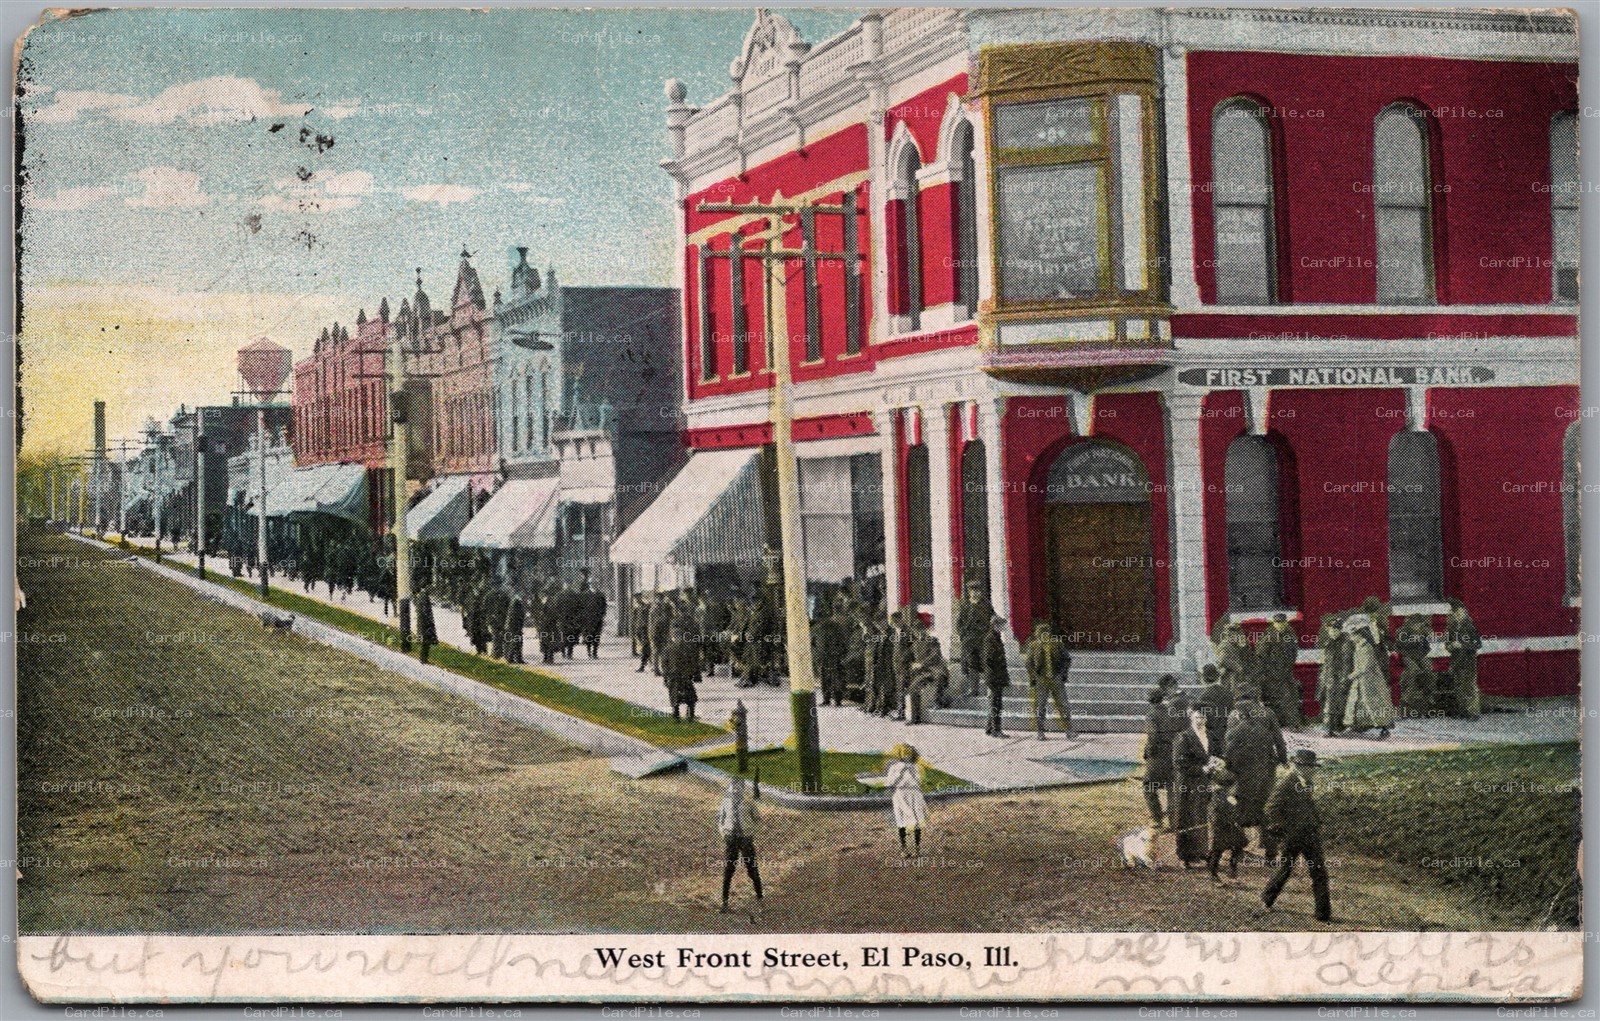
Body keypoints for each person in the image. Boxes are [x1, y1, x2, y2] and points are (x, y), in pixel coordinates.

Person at [1260, 749, 1332, 923]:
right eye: (1309, 767)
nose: (1312, 770)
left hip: (1310, 833)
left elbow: (1307, 803)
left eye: (1313, 767)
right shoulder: (1286, 782)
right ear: (1299, 766)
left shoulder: (1307, 782)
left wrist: (1317, 819)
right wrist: (1282, 827)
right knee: (1286, 869)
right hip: (1293, 836)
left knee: (1319, 872)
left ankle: (1323, 913)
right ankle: (1267, 897)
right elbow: (1271, 807)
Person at [1224, 692, 1282, 857]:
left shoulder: (1233, 733)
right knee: (1263, 811)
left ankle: (1237, 850)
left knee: (1236, 811)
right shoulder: (1264, 732)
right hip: (1263, 777)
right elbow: (1274, 748)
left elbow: (1228, 757)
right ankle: (1271, 852)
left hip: (1243, 779)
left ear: (1240, 715)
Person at [1342, 597, 1396, 739]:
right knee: (1357, 700)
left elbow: (1384, 645)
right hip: (1365, 672)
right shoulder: (1361, 630)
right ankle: (1358, 725)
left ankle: (1383, 727)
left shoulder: (1378, 627)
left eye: (1374, 613)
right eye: (1371, 613)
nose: (1373, 616)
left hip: (1374, 669)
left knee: (1373, 699)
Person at [1172, 705, 1219, 867]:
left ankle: (1201, 851)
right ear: (1191, 717)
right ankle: (1185, 855)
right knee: (1186, 816)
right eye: (1197, 717)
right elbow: (1179, 763)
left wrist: (1216, 762)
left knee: (1201, 816)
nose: (1200, 720)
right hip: (1187, 783)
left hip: (1203, 782)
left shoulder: (1210, 736)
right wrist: (1203, 769)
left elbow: (1215, 754)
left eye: (1203, 717)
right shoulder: (1183, 737)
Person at [866, 744, 928, 859]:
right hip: (900, 794)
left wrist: (912, 772)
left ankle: (917, 848)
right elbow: (890, 783)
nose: (907, 757)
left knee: (917, 820)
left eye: (909, 754)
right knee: (901, 821)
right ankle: (904, 848)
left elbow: (919, 782)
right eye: (904, 754)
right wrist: (901, 772)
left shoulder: (915, 767)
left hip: (914, 794)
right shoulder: (894, 767)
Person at [717, 777, 762, 912]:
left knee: (752, 870)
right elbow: (720, 819)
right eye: (733, 784)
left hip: (745, 840)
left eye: (739, 785)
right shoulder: (725, 802)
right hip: (731, 839)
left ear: (743, 787)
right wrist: (723, 833)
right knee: (728, 870)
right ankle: (724, 903)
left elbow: (758, 820)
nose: (736, 788)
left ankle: (760, 900)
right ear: (730, 786)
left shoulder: (748, 801)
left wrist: (751, 833)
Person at [1023, 619, 1073, 739]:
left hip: (1056, 679)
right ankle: (1040, 732)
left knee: (1063, 704)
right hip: (1041, 680)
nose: (1044, 636)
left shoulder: (1057, 644)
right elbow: (1028, 663)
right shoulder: (1033, 646)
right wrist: (1033, 677)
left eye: (1046, 633)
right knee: (1040, 706)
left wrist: (1062, 674)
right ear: (1037, 635)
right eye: (1041, 633)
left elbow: (1067, 659)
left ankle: (1069, 730)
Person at [1257, 613, 1302, 730]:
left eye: (1282, 623)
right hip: (1271, 673)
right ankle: (1279, 723)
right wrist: (1265, 672)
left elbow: (1294, 653)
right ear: (1274, 623)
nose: (1280, 625)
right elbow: (1261, 656)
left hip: (1286, 672)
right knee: (1275, 698)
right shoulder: (1267, 636)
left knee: (1291, 695)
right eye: (1277, 623)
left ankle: (1291, 723)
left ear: (1285, 623)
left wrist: (1288, 666)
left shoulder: (1290, 635)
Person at [1140, 689, 1176, 829]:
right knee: (1171, 788)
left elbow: (1153, 737)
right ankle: (1174, 820)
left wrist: (1148, 753)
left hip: (1158, 755)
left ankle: (1157, 818)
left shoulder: (1151, 715)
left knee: (1149, 787)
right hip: (1172, 753)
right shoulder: (1171, 712)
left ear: (1150, 700)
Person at [1207, 766, 1248, 885]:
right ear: (1228, 786)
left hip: (1231, 828)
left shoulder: (1229, 797)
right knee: (1217, 851)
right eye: (1234, 786)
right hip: (1220, 829)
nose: (1236, 788)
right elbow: (1215, 816)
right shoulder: (1217, 797)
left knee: (1238, 846)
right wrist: (1227, 819)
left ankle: (1232, 872)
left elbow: (1235, 811)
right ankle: (1213, 875)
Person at [1315, 612, 1353, 736]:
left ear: (1340, 630)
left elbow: (1347, 663)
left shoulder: (1345, 643)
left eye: (1336, 629)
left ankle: (1330, 728)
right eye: (1331, 629)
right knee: (1328, 702)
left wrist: (1344, 680)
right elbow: (1325, 661)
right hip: (1327, 677)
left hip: (1337, 678)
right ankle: (1332, 727)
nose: (1333, 632)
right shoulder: (1329, 642)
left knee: (1332, 704)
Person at [1444, 597, 1482, 720]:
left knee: (1469, 686)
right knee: (1458, 686)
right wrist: (1450, 646)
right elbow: (1447, 644)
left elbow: (1477, 644)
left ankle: (1473, 712)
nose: (1456, 615)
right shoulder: (1452, 626)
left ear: (1464, 611)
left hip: (1468, 661)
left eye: (1458, 612)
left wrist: (1462, 645)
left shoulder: (1470, 626)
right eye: (1454, 612)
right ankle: (1463, 710)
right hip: (1456, 661)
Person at [955, 578, 993, 697]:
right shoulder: (965, 606)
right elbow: (959, 623)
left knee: (987, 663)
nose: (975, 593)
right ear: (969, 592)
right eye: (972, 591)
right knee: (972, 665)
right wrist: (963, 635)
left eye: (977, 591)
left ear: (981, 592)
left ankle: (990, 689)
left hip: (983, 639)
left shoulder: (986, 605)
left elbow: (993, 619)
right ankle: (973, 689)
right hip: (969, 640)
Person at [1395, 613, 1435, 718]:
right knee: (1413, 671)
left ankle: (1428, 695)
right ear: (1412, 624)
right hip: (1407, 655)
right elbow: (1400, 645)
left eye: (1420, 625)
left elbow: (1427, 646)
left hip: (1420, 655)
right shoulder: (1402, 631)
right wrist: (1414, 640)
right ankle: (1407, 700)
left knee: (1429, 670)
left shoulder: (1422, 631)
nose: (1419, 627)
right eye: (1417, 625)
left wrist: (1423, 651)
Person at [811, 595, 847, 707]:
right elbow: (812, 644)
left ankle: (833, 700)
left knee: (831, 679)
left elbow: (843, 642)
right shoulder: (821, 628)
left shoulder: (822, 628)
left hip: (830, 657)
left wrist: (817, 655)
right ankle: (831, 699)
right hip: (828, 657)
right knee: (829, 679)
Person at [661, 622, 700, 722]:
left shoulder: (667, 649)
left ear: (672, 637)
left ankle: (676, 715)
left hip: (673, 678)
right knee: (691, 698)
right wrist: (695, 675)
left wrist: (665, 678)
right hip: (686, 678)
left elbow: (664, 666)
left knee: (674, 698)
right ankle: (690, 716)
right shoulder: (688, 648)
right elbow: (694, 662)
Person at [982, 616, 1010, 738]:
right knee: (996, 704)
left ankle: (989, 728)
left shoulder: (996, 638)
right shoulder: (990, 639)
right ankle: (996, 730)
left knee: (995, 703)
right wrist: (999, 664)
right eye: (1002, 625)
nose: (1003, 627)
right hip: (994, 677)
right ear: (995, 625)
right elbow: (989, 659)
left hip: (997, 675)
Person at [1196, 664, 1233, 750]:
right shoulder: (1228, 693)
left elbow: (1201, 720)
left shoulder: (1204, 696)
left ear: (1204, 678)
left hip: (1211, 737)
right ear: (1217, 677)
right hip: (1227, 735)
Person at [579, 576, 608, 660]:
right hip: (587, 620)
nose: (593, 585)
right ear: (589, 584)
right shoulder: (584, 595)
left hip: (598, 619)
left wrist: (602, 615)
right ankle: (588, 651)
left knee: (597, 636)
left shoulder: (600, 595)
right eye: (591, 583)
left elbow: (604, 606)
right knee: (588, 636)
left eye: (595, 583)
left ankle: (595, 652)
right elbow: (580, 607)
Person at [415, 584, 437, 665]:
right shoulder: (424, 597)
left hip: (422, 622)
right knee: (426, 641)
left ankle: (423, 658)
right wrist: (429, 621)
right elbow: (425, 611)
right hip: (425, 622)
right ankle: (424, 659)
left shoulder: (422, 595)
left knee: (425, 641)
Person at [631, 593, 652, 672]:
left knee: (645, 648)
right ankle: (650, 664)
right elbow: (635, 621)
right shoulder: (637, 609)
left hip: (645, 630)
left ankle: (642, 666)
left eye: (638, 598)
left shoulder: (646, 607)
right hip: (640, 631)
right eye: (636, 599)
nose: (637, 600)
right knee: (646, 649)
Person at [504, 594, 527, 665]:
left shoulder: (514, 604)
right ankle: (510, 659)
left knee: (518, 642)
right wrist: (518, 627)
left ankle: (518, 658)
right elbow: (517, 617)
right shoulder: (516, 605)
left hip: (514, 627)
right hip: (514, 627)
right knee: (514, 642)